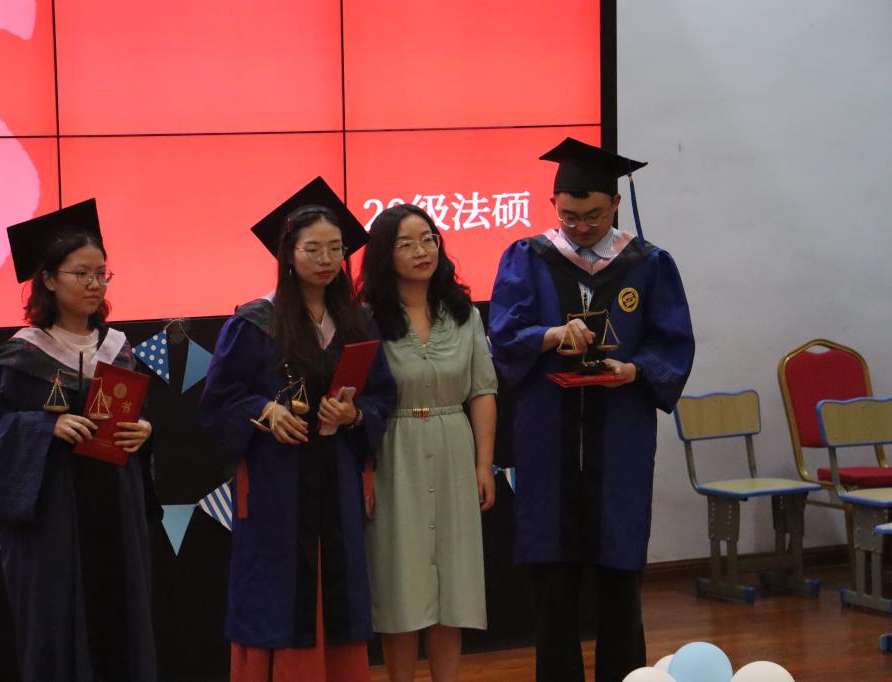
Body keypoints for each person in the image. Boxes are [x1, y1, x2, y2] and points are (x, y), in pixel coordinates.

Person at [488, 138, 695, 682]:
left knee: (620, 580)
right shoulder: (527, 257)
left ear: (616, 204)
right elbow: (504, 333)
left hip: (619, 437)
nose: (581, 227)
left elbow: (672, 342)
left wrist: (636, 370)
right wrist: (551, 335)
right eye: (569, 216)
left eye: (594, 215)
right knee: (552, 585)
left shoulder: (649, 264)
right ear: (553, 204)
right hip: (548, 438)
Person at [199, 177, 398, 682]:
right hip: (276, 481)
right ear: (288, 253)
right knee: (278, 588)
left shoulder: (356, 321)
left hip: (338, 476)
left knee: (338, 584)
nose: (326, 259)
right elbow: (218, 401)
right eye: (313, 249)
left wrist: (356, 415)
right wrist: (265, 411)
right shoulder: (254, 322)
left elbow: (383, 395)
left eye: (336, 248)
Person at [0, 199, 159, 682]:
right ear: (48, 279)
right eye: (81, 274)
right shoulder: (21, 357)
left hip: (115, 509)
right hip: (53, 522)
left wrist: (145, 432)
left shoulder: (118, 350)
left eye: (102, 274)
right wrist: (43, 428)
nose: (94, 284)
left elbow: (131, 420)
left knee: (120, 625)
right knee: (60, 630)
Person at [358, 204, 497, 682]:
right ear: (384, 255)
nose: (421, 251)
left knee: (451, 589)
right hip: (394, 452)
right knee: (400, 588)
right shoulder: (366, 319)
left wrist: (483, 465)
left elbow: (483, 390)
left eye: (428, 239)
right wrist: (365, 471)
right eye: (406, 243)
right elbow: (359, 399)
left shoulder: (464, 314)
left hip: (454, 448)